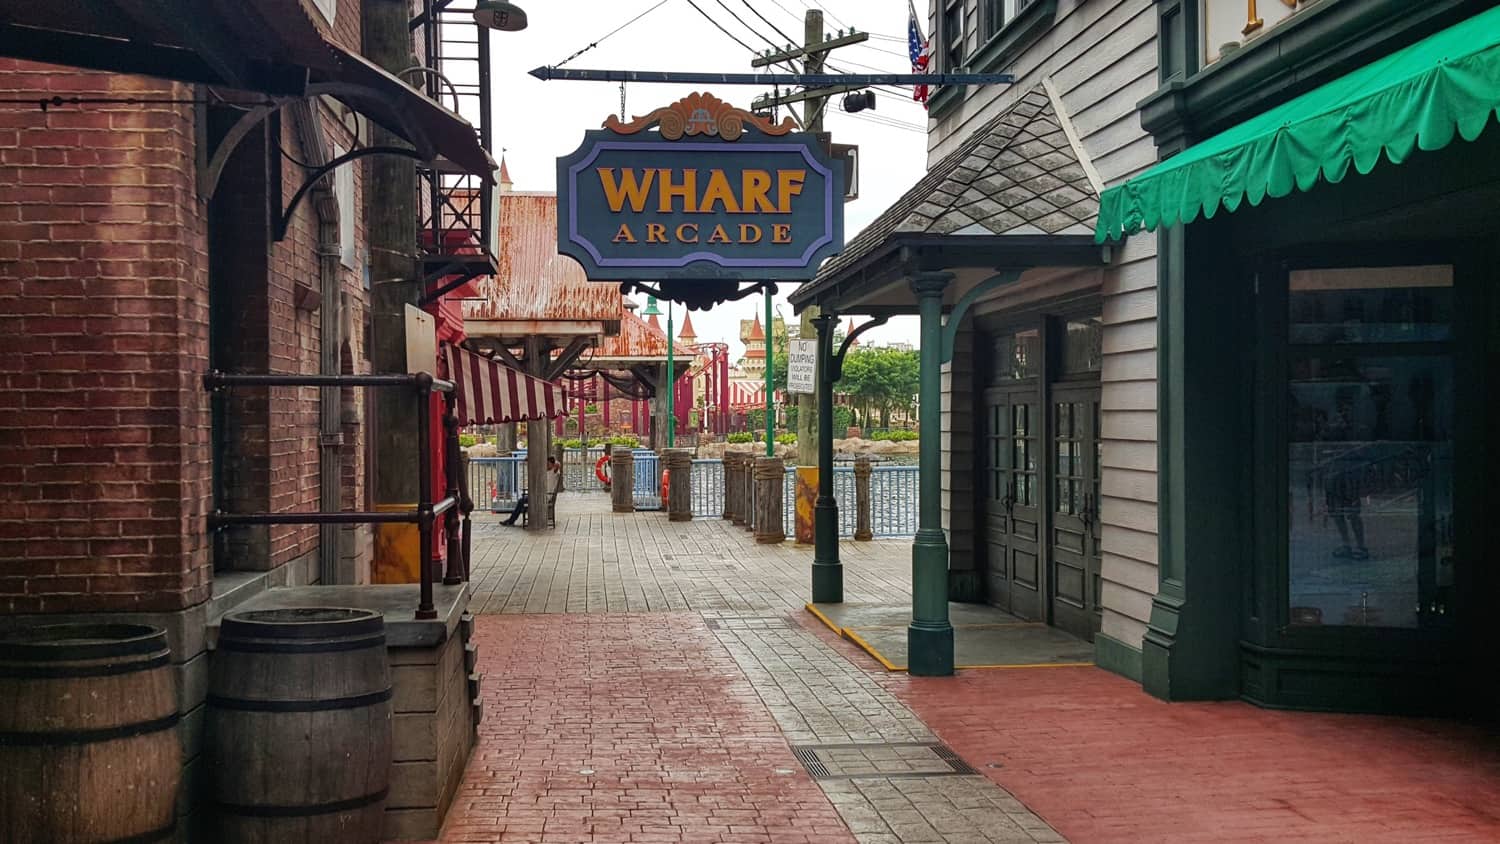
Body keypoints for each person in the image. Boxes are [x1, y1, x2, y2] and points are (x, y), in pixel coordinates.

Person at [502, 456, 562, 526]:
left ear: (552, 464)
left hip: (544, 496)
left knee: (521, 501)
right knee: (522, 500)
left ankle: (511, 520)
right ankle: (512, 520)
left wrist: (551, 461)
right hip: (540, 495)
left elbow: (558, 464)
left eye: (548, 464)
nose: (546, 465)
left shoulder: (554, 472)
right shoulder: (546, 472)